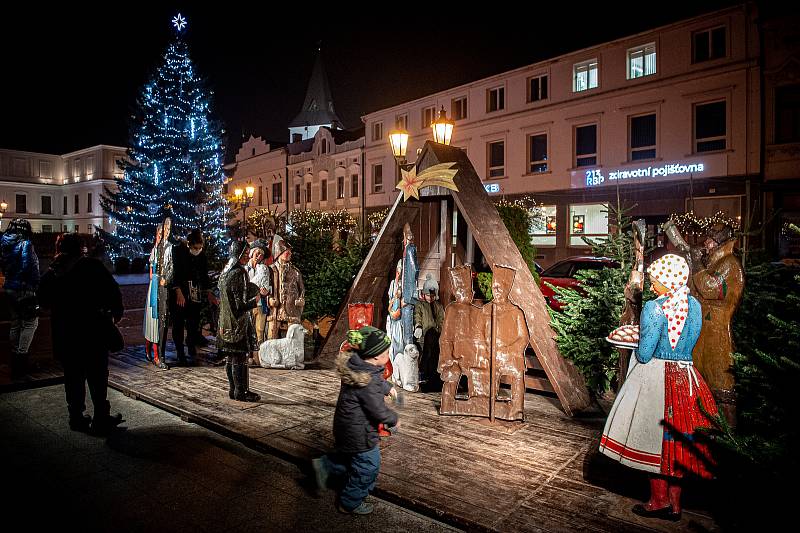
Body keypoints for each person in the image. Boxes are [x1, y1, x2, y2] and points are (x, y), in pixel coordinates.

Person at [599, 253, 718, 522]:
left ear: (667, 281)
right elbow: (691, 340)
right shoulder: (695, 306)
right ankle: (676, 505)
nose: (652, 287)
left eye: (656, 282)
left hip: (656, 377)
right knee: (678, 443)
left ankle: (658, 501)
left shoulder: (654, 308)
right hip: (686, 377)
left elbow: (643, 353)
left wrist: (634, 343)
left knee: (653, 440)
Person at [38, 233, 124, 434]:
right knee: (97, 376)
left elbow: (43, 301)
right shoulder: (92, 266)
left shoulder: (54, 272)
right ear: (81, 249)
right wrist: (115, 313)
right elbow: (113, 292)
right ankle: (101, 417)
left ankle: (76, 416)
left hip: (66, 332)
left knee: (73, 376)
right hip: (93, 331)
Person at [311, 326, 398, 515]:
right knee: (368, 466)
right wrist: (393, 419)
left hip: (345, 426)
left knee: (350, 458)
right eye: (386, 352)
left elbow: (375, 379)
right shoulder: (368, 381)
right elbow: (378, 411)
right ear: (375, 356)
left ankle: (325, 465)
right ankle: (350, 502)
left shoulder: (356, 365)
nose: (388, 355)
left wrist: (387, 387)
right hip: (359, 432)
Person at [217, 240, 268, 402]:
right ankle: (241, 391)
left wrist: (251, 288)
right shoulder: (239, 273)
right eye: (245, 254)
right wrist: (257, 299)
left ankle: (233, 390)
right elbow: (240, 305)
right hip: (237, 324)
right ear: (238, 254)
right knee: (240, 358)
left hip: (225, 323)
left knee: (231, 358)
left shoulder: (226, 271)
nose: (248, 256)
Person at [171, 229, 218, 365]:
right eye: (195, 248)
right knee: (179, 323)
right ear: (189, 245)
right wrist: (178, 291)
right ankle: (180, 351)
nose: (198, 250)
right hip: (181, 291)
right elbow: (176, 272)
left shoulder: (201, 255)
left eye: (200, 248)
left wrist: (208, 292)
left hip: (195, 292)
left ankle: (191, 345)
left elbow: (203, 274)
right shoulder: (179, 252)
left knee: (193, 322)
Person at [1, 218, 40, 377]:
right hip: (25, 289)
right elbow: (28, 267)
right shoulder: (26, 244)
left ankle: (15, 359)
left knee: (16, 323)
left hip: (10, 287)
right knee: (30, 324)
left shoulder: (4, 244)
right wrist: (35, 285)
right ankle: (21, 360)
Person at [266, 235, 304, 340]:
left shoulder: (295, 271)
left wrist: (301, 299)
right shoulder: (270, 270)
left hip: (291, 309)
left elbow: (302, 289)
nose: (290, 254)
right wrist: (269, 299)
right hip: (275, 310)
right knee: (272, 336)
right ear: (280, 253)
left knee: (293, 337)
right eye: (288, 251)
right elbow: (265, 288)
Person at [413, 274, 445, 389]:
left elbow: (442, 320)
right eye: (428, 295)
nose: (430, 298)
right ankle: (423, 374)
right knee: (426, 354)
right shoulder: (420, 305)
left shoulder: (438, 306)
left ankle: (434, 377)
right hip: (424, 336)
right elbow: (417, 316)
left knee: (435, 356)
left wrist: (440, 330)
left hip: (436, 336)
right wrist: (418, 326)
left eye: (432, 295)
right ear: (424, 294)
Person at [245, 239, 271, 366]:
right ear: (252, 253)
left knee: (259, 330)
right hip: (247, 305)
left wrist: (266, 292)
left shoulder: (264, 269)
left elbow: (267, 287)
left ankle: (259, 357)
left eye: (261, 254)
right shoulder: (244, 269)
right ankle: (248, 356)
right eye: (257, 253)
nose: (259, 256)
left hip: (260, 304)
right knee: (247, 330)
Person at [143, 227, 163, 365]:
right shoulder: (155, 251)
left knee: (158, 321)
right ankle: (151, 350)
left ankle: (153, 350)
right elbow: (151, 274)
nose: (161, 237)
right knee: (153, 318)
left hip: (161, 287)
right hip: (155, 287)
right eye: (160, 234)